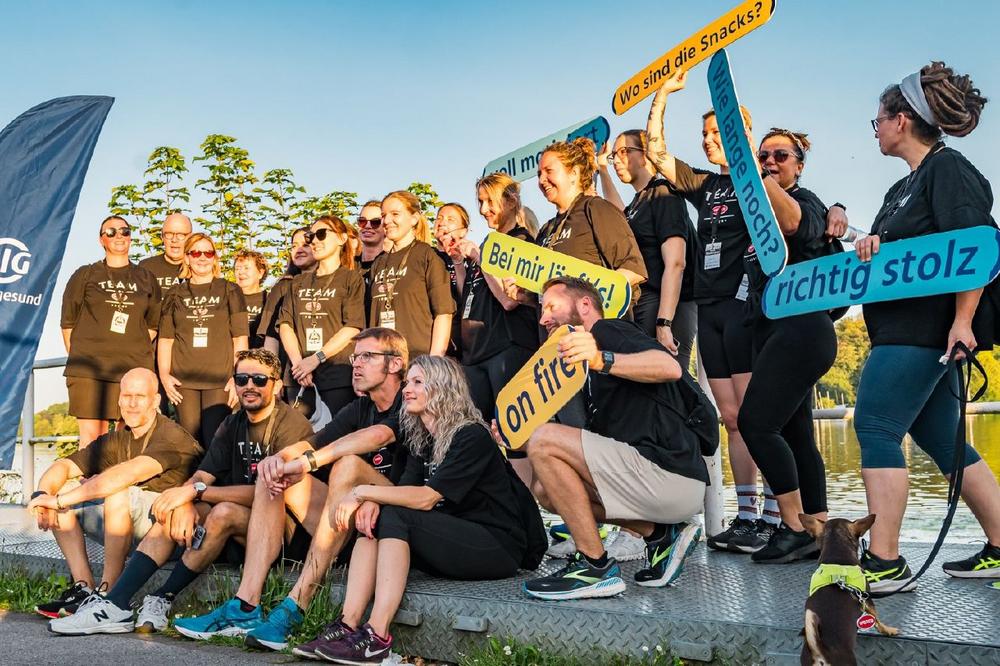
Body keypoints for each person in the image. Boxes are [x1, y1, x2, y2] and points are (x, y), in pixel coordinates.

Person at [852, 62, 1000, 590]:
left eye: (878, 120)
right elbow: (904, 254)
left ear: (902, 120)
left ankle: (886, 561)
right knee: (945, 440)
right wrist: (871, 243)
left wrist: (964, 322)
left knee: (874, 426)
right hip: (903, 327)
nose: (875, 129)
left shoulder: (949, 170)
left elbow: (977, 250)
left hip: (925, 331)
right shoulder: (903, 188)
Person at [48, 350, 317, 636]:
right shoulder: (232, 423)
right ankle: (116, 604)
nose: (249, 385)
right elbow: (202, 475)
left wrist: (196, 493)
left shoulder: (291, 424)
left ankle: (162, 595)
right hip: (242, 525)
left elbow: (269, 493)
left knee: (220, 510)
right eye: (242, 378)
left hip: (285, 533)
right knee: (175, 507)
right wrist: (186, 498)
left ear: (276, 386)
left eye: (259, 379)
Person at [312, 355, 533, 664]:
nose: (407, 390)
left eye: (418, 382)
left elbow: (426, 498)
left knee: (395, 514)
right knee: (376, 518)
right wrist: (374, 501)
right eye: (408, 383)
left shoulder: (471, 435)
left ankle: (377, 635)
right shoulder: (423, 440)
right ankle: (348, 626)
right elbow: (402, 490)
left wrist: (362, 492)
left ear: (442, 389)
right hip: (453, 539)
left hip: (496, 545)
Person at [645, 70, 777, 550]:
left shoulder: (762, 183)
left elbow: (802, 212)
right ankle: (747, 515)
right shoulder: (705, 186)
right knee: (733, 417)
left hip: (749, 311)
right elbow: (658, 154)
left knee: (761, 414)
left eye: (718, 132)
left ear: (742, 135)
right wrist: (662, 96)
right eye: (704, 134)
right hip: (711, 309)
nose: (707, 141)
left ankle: (777, 514)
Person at [522, 277, 707, 600]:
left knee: (544, 440)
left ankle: (594, 568)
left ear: (584, 305)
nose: (543, 318)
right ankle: (661, 535)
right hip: (653, 480)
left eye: (551, 306)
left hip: (670, 470)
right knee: (545, 489)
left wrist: (601, 359)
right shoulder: (583, 371)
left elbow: (669, 367)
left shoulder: (607, 330)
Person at [233, 328, 409, 654]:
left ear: (396, 364)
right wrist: (280, 458)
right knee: (274, 478)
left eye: (367, 357)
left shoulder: (410, 401)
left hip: (398, 520)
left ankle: (297, 604)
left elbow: (377, 437)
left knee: (347, 465)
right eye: (356, 357)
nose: (356, 364)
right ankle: (246, 605)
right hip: (349, 521)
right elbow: (316, 441)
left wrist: (306, 462)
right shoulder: (359, 408)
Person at [735, 129, 840, 562]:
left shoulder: (808, 201)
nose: (771, 161)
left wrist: (761, 177)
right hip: (773, 334)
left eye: (781, 155)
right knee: (797, 434)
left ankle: (795, 526)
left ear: (799, 163)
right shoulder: (758, 219)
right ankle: (823, 531)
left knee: (755, 425)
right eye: (763, 155)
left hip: (803, 331)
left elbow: (796, 221)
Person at [27, 368, 202, 618]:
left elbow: (127, 475)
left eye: (140, 396)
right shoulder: (118, 439)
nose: (131, 404)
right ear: (119, 399)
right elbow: (64, 465)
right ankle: (84, 590)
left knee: (115, 492)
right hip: (130, 526)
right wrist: (43, 495)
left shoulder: (170, 437)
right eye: (126, 395)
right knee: (63, 491)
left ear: (155, 401)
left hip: (171, 534)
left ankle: (107, 594)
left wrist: (58, 500)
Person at [61, 215, 162, 451]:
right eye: (111, 232)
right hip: (89, 369)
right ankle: (89, 487)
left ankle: (119, 486)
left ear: (130, 237)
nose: (119, 236)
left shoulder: (146, 277)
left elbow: (153, 324)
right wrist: (81, 357)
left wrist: (129, 347)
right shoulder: (84, 275)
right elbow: (68, 323)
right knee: (91, 441)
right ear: (101, 240)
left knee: (127, 437)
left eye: (124, 231)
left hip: (130, 368)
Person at [600, 131, 698, 371]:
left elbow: (676, 263)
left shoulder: (663, 193)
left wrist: (664, 322)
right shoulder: (638, 203)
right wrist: (602, 168)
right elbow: (619, 215)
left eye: (624, 151)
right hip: (645, 304)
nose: (618, 161)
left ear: (645, 155)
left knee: (671, 387)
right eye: (614, 156)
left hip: (668, 306)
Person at [158, 233, 249, 446]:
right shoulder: (174, 294)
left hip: (219, 380)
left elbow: (240, 338)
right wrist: (164, 375)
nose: (202, 257)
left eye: (208, 252)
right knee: (189, 442)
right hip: (183, 381)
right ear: (187, 258)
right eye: (196, 252)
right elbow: (166, 339)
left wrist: (238, 376)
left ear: (215, 258)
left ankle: (215, 481)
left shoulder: (230, 290)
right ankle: (192, 481)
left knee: (215, 440)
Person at [535, 138, 647, 293]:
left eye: (549, 171)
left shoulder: (595, 208)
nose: (541, 180)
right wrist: (524, 296)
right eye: (539, 174)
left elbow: (633, 269)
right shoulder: (545, 230)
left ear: (573, 173)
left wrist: (589, 300)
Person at [279, 215, 365, 416]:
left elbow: (353, 326)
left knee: (336, 441)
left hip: (337, 376)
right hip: (299, 376)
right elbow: (285, 325)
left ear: (342, 238)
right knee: (300, 441)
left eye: (321, 234)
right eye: (311, 236)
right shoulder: (298, 282)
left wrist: (316, 359)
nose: (315, 241)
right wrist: (299, 364)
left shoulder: (351, 279)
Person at [369, 190, 455, 357]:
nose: (387, 221)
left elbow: (443, 313)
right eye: (383, 215)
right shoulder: (378, 263)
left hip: (417, 359)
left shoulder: (427, 255)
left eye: (395, 214)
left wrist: (434, 362)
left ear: (414, 218)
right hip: (381, 359)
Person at [258, 227, 317, 403]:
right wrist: (273, 377)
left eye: (305, 244)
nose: (299, 250)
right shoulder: (283, 287)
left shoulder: (339, 282)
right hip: (291, 376)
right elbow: (271, 338)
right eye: (294, 245)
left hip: (329, 374)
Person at [434, 202, 472, 358]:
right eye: (440, 218)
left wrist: (457, 260)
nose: (443, 222)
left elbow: (465, 295)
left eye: (451, 219)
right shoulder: (426, 255)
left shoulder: (471, 258)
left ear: (463, 231)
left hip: (459, 340)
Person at [138, 212, 192, 299]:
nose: (174, 240)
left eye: (181, 235)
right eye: (169, 234)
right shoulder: (146, 268)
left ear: (190, 237)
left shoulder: (198, 267)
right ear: (162, 236)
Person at [356, 200, 387, 322]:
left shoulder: (393, 264)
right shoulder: (348, 265)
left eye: (375, 222)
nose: (367, 226)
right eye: (362, 221)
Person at [234, 249, 269, 349]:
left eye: (246, 268)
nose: (241, 272)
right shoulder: (229, 299)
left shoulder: (269, 300)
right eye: (237, 268)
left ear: (260, 273)